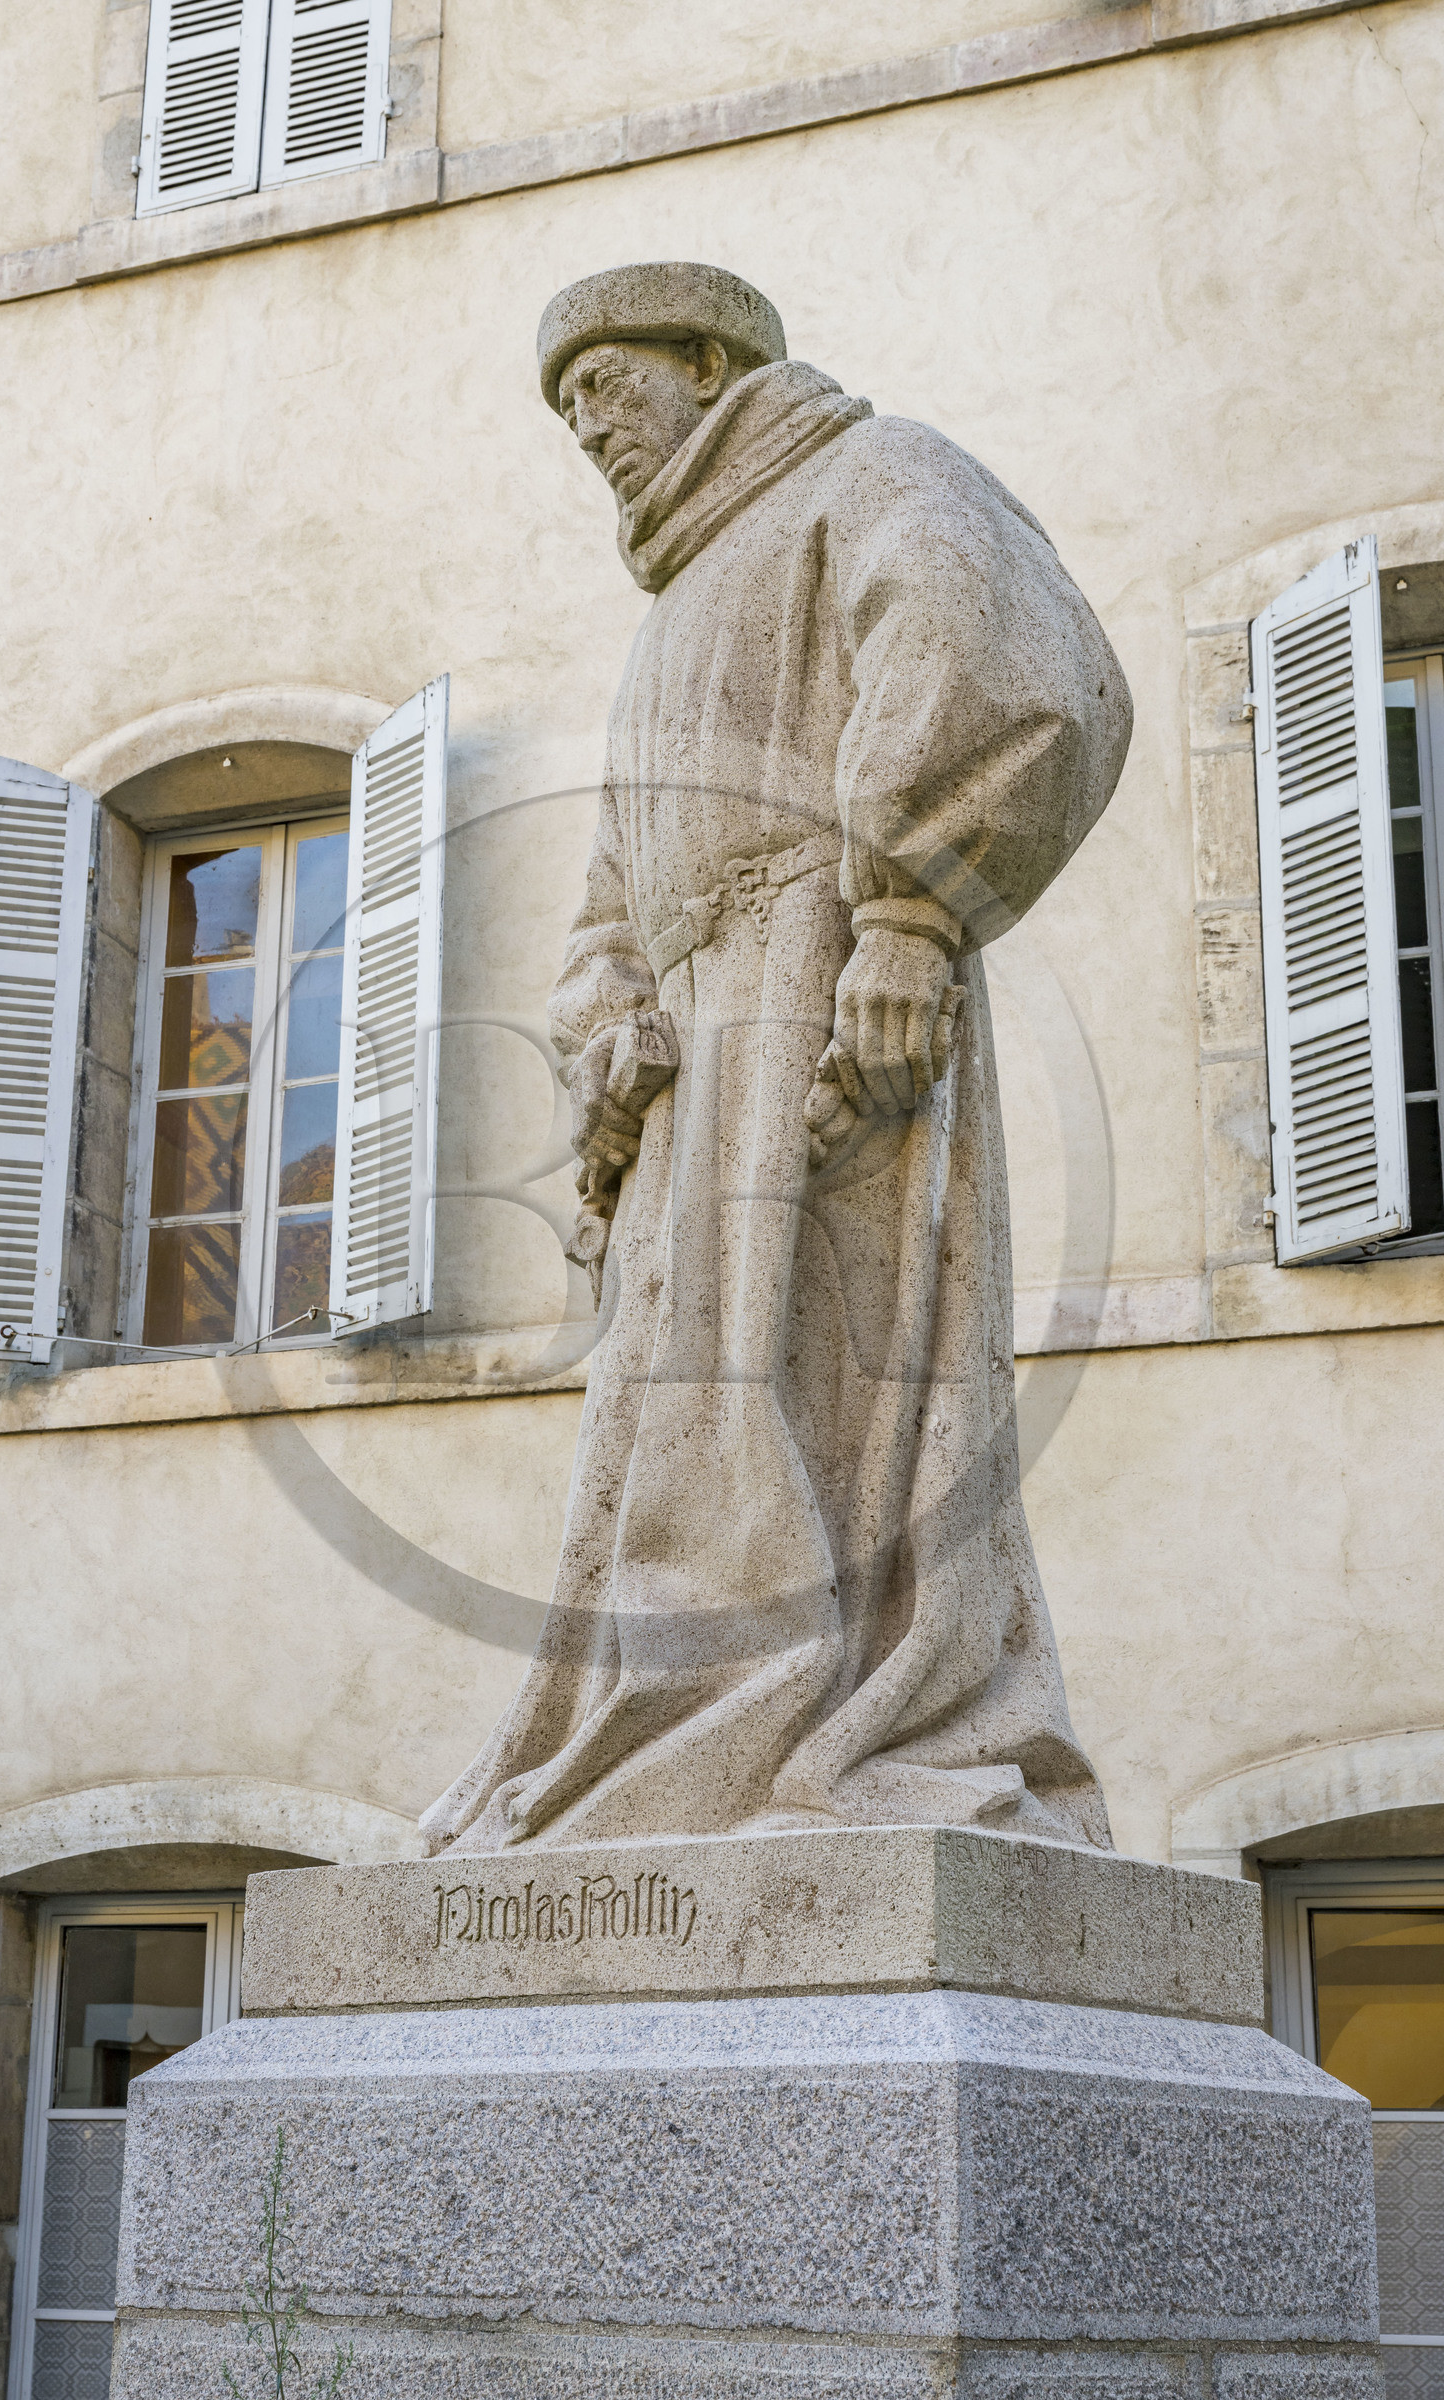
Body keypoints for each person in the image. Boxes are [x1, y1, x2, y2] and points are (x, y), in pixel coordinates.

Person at [421, 262, 1132, 1857]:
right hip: (690, 1080)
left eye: (608, 381)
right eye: (566, 404)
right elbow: (613, 891)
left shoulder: (867, 476)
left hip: (822, 995)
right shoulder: (672, 616)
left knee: (836, 1394)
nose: (587, 424)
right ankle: (675, 1740)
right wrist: (607, 1026)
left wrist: (908, 921)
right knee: (679, 1429)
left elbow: (1006, 664)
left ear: (705, 356)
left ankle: (852, 1726)